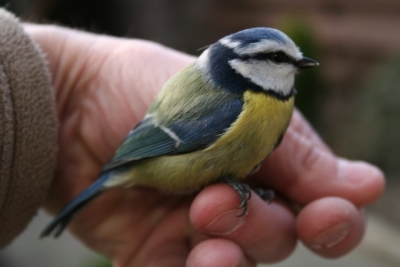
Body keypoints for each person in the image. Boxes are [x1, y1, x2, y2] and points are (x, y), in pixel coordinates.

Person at [0, 9, 385, 266]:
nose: (293, 65)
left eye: (293, 58)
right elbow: (158, 142)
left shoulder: (272, 104)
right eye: (276, 59)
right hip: (153, 161)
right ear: (242, 65)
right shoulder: (233, 105)